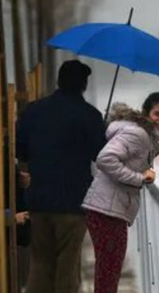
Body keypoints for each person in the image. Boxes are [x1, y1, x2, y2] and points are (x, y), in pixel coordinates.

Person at [16, 60, 106, 293]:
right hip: (74, 203)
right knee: (67, 267)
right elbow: (101, 156)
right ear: (83, 85)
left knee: (40, 264)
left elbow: (19, 150)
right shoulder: (90, 115)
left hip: (39, 200)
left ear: (59, 80)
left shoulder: (34, 110)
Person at [82, 92, 159, 293]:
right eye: (157, 113)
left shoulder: (142, 134)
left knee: (107, 273)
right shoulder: (138, 134)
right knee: (108, 275)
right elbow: (105, 159)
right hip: (107, 211)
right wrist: (140, 178)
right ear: (146, 112)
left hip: (107, 209)